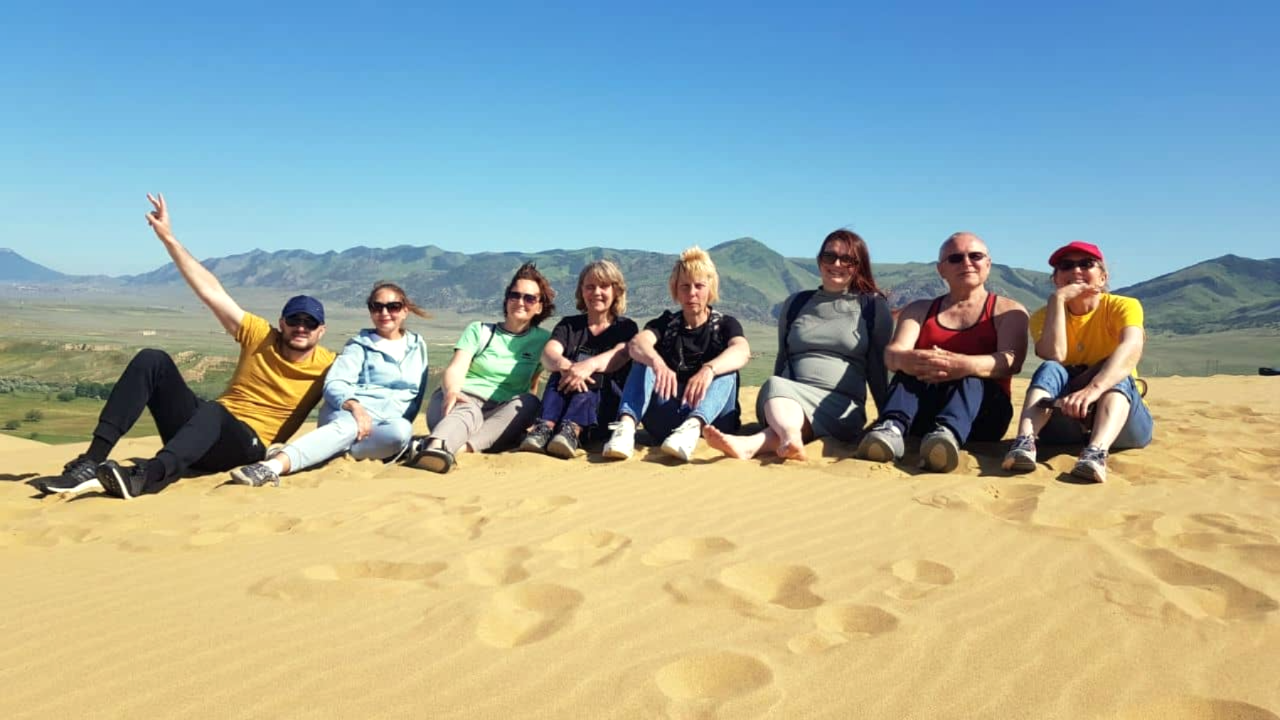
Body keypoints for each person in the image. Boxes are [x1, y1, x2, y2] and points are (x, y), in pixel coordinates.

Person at [39, 194, 335, 499]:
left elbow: (363, 389)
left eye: (310, 323)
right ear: (282, 322)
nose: (301, 327)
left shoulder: (330, 365)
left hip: (247, 447)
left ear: (321, 330)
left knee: (214, 412)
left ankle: (148, 476)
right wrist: (167, 237)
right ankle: (91, 462)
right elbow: (211, 291)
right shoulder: (259, 335)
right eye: (294, 320)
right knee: (152, 360)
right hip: (201, 434)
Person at [704, 229, 892, 461]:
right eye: (829, 256)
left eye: (847, 259)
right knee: (776, 387)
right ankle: (784, 440)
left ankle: (765, 441)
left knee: (780, 400)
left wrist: (887, 419)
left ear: (858, 265)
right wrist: (772, 402)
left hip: (841, 405)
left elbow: (878, 369)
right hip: (787, 400)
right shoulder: (796, 304)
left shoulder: (872, 307)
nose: (837, 264)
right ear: (819, 260)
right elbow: (783, 357)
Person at [228, 282, 430, 486]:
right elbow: (335, 384)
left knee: (401, 431)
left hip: (384, 425)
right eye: (376, 307)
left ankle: (324, 450)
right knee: (349, 428)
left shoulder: (417, 345)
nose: (384, 313)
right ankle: (272, 466)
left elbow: (417, 392)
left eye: (393, 307)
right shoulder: (358, 346)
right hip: (347, 414)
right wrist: (355, 407)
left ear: (405, 311)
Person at [857, 232, 1029, 472]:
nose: (967, 263)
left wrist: (963, 365)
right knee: (909, 371)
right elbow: (893, 354)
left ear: (988, 264)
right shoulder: (919, 310)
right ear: (941, 270)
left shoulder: (1008, 310)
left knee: (971, 376)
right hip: (923, 414)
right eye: (955, 258)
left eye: (975, 256)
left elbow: (1012, 361)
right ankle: (891, 430)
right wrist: (911, 359)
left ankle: (947, 436)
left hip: (983, 417)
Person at [1002, 241, 1152, 482]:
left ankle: (1096, 453)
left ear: (1103, 277)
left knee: (1116, 371)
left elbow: (1132, 347)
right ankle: (1024, 442)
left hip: (1122, 420)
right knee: (1050, 368)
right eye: (1066, 266)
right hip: (1067, 417)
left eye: (1086, 264)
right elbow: (1056, 355)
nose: (1076, 271)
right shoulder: (1043, 316)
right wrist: (1057, 301)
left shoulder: (1123, 306)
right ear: (1056, 279)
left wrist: (1094, 389)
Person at [601, 246, 751, 462]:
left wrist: (709, 369)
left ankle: (692, 427)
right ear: (676, 290)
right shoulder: (666, 324)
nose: (692, 293)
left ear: (710, 288)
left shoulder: (725, 324)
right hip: (667, 416)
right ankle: (625, 430)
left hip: (712, 424)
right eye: (685, 286)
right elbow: (637, 344)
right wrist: (657, 362)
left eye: (699, 286)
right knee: (643, 360)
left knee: (727, 369)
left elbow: (742, 350)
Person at [405, 263, 554, 473]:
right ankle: (436, 446)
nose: (520, 302)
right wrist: (452, 392)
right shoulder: (479, 330)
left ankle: (445, 450)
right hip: (458, 401)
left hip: (498, 411)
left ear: (539, 307)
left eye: (529, 298)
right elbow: (456, 367)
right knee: (469, 410)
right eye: (515, 295)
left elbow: (532, 383)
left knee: (530, 403)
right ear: (506, 300)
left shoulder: (543, 340)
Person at [519, 260, 638, 458]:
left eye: (604, 286)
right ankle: (544, 427)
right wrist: (565, 366)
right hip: (562, 405)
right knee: (559, 371)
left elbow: (619, 355)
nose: (596, 292)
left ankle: (572, 430)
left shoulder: (626, 327)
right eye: (590, 286)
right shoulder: (569, 326)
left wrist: (588, 366)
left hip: (600, 413)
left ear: (616, 290)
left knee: (594, 375)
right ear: (581, 291)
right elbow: (549, 353)